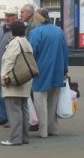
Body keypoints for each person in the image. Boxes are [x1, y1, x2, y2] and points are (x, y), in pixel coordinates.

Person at [28, 8, 69, 138]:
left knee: (40, 102)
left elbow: (31, 53)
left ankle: (43, 131)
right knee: (53, 102)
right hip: (57, 71)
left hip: (40, 72)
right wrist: (64, 69)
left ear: (37, 18)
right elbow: (65, 51)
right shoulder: (59, 31)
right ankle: (53, 128)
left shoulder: (35, 33)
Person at [0, 20, 33, 146]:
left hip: (14, 80)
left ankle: (15, 138)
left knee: (14, 110)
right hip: (25, 79)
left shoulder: (15, 43)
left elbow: (9, 61)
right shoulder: (26, 42)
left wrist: (4, 77)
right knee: (24, 109)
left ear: (12, 31)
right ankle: (24, 137)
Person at [0, 6, 19, 127]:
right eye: (6, 15)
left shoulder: (16, 30)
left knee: (10, 94)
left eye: (10, 16)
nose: (7, 18)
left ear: (15, 18)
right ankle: (3, 116)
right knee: (0, 94)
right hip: (0, 67)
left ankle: (11, 118)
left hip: (10, 68)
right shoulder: (2, 28)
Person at [19, 4, 39, 132]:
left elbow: (30, 47)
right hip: (33, 64)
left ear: (30, 13)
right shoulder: (30, 25)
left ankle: (34, 121)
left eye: (22, 12)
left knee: (33, 94)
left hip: (32, 65)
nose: (21, 14)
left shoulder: (32, 27)